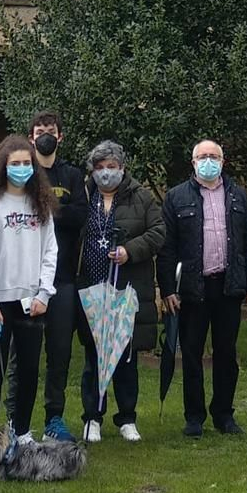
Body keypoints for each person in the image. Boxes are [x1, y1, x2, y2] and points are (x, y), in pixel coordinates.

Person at [157, 139, 247, 438]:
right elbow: (166, 249)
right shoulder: (176, 197)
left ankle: (224, 415)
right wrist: (168, 288)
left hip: (228, 287)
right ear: (193, 162)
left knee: (226, 354)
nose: (208, 161)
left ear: (222, 161)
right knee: (190, 354)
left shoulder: (238, 196)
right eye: (202, 156)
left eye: (213, 156)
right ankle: (194, 417)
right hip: (192, 288)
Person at [73, 140, 164, 443]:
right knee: (93, 356)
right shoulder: (84, 196)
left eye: (111, 167)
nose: (106, 173)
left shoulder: (142, 198)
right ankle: (92, 417)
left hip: (125, 289)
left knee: (125, 357)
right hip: (91, 287)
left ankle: (127, 417)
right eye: (100, 168)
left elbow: (158, 232)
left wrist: (130, 250)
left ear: (122, 168)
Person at [0, 133, 58, 443]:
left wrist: (44, 293)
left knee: (28, 370)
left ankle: (21, 431)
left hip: (32, 300)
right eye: (15, 164)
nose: (21, 168)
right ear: (2, 166)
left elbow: (51, 250)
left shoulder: (42, 204)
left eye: (27, 163)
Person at [27, 111, 86, 444]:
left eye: (51, 131)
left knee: (59, 352)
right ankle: (16, 419)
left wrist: (46, 211)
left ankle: (55, 417)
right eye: (40, 131)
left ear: (60, 137)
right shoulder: (24, 171)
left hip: (63, 278)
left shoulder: (72, 175)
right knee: (25, 354)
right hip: (25, 278)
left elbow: (80, 215)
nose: (45, 135)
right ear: (31, 136)